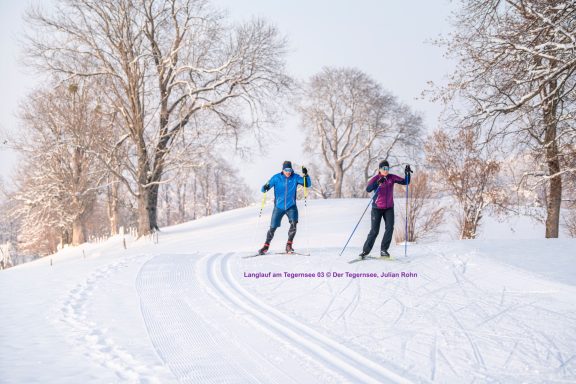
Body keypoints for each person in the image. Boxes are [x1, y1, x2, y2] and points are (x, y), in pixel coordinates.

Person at [359, 160, 412, 258]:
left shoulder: (391, 177)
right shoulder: (376, 178)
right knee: (374, 231)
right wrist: (378, 183)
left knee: (389, 228)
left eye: (387, 168)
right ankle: (365, 252)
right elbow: (368, 189)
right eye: (384, 168)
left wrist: (407, 173)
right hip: (377, 208)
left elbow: (406, 182)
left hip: (389, 208)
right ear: (379, 169)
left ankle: (384, 250)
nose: (386, 170)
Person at [258, 161, 311, 255]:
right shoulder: (276, 178)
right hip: (279, 207)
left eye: (290, 170)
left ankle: (289, 245)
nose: (288, 172)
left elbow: (307, 184)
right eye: (286, 170)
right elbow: (263, 189)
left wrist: (306, 175)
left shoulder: (295, 177)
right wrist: (265, 187)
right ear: (283, 170)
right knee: (273, 227)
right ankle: (266, 246)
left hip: (291, 206)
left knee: (294, 224)